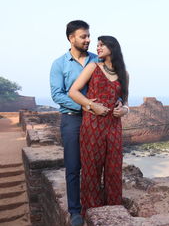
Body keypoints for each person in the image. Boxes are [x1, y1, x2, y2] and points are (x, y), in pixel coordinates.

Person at [50, 21, 127, 226]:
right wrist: (87, 106)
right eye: (83, 37)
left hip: (102, 121)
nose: (89, 41)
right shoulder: (60, 64)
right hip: (73, 118)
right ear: (71, 38)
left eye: (89, 36)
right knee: (75, 166)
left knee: (102, 165)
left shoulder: (97, 60)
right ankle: (76, 211)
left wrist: (120, 106)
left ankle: (107, 206)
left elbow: (116, 91)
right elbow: (59, 94)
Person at [69, 35, 129, 216]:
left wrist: (124, 110)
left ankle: (114, 209)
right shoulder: (93, 67)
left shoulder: (124, 74)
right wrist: (91, 105)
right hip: (92, 124)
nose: (98, 47)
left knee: (114, 168)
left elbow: (125, 101)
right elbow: (73, 91)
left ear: (113, 47)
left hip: (113, 126)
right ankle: (92, 212)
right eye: (97, 44)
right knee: (91, 168)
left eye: (102, 44)